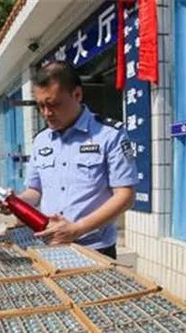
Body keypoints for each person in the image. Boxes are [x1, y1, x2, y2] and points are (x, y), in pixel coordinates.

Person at [14, 61, 138, 259]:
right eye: (40, 106)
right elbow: (35, 191)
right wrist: (15, 202)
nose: (46, 113)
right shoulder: (41, 140)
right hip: (49, 246)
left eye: (53, 104)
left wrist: (77, 229)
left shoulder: (109, 135)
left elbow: (125, 196)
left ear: (77, 95)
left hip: (95, 249)